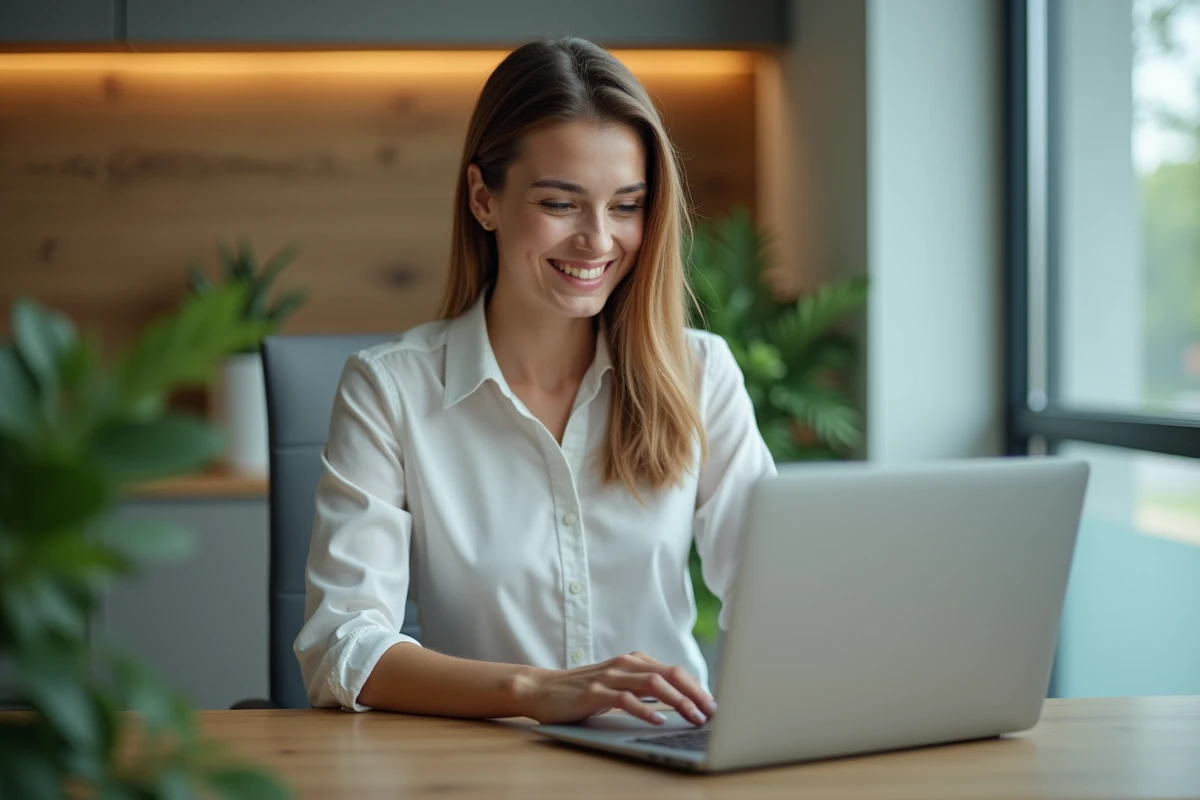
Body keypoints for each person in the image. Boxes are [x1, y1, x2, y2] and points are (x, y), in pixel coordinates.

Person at [294, 37, 775, 728]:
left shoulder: (699, 374)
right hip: (487, 766)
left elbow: (779, 598)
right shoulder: (391, 391)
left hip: (666, 762)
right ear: (483, 199)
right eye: (560, 204)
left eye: (626, 206)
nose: (598, 240)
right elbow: (342, 647)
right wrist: (534, 691)